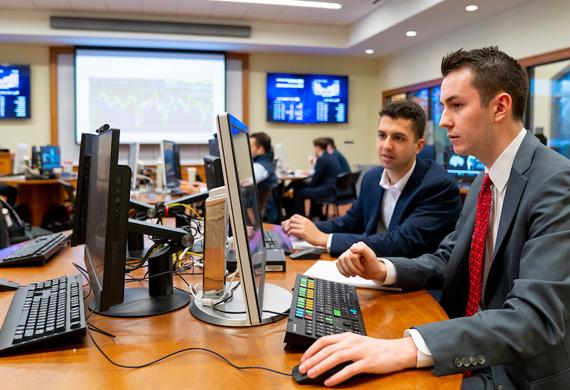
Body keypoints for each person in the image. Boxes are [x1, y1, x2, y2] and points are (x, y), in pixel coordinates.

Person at [296, 47, 570, 389]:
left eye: (456, 105)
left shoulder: (556, 182)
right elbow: (449, 258)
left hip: (512, 372)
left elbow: (534, 318)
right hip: (469, 343)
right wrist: (384, 269)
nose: (443, 120)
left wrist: (410, 347)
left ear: (500, 106)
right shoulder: (485, 180)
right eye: (443, 107)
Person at [282, 100, 461, 257]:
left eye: (398, 138)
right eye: (382, 135)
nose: (386, 146)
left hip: (416, 286)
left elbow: (402, 243)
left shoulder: (438, 185)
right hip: (370, 270)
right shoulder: (372, 178)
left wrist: (324, 239)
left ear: (418, 146)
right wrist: (306, 229)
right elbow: (350, 222)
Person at [293, 137, 343, 217]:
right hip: (334, 189)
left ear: (317, 148)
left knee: (300, 192)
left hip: (327, 191)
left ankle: (300, 218)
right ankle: (315, 214)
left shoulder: (322, 159)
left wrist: (305, 183)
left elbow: (315, 181)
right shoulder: (332, 157)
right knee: (303, 187)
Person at [249, 132, 279, 219]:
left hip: (265, 218)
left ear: (260, 149)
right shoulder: (266, 162)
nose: (247, 149)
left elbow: (243, 181)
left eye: (250, 146)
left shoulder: (261, 167)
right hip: (265, 214)